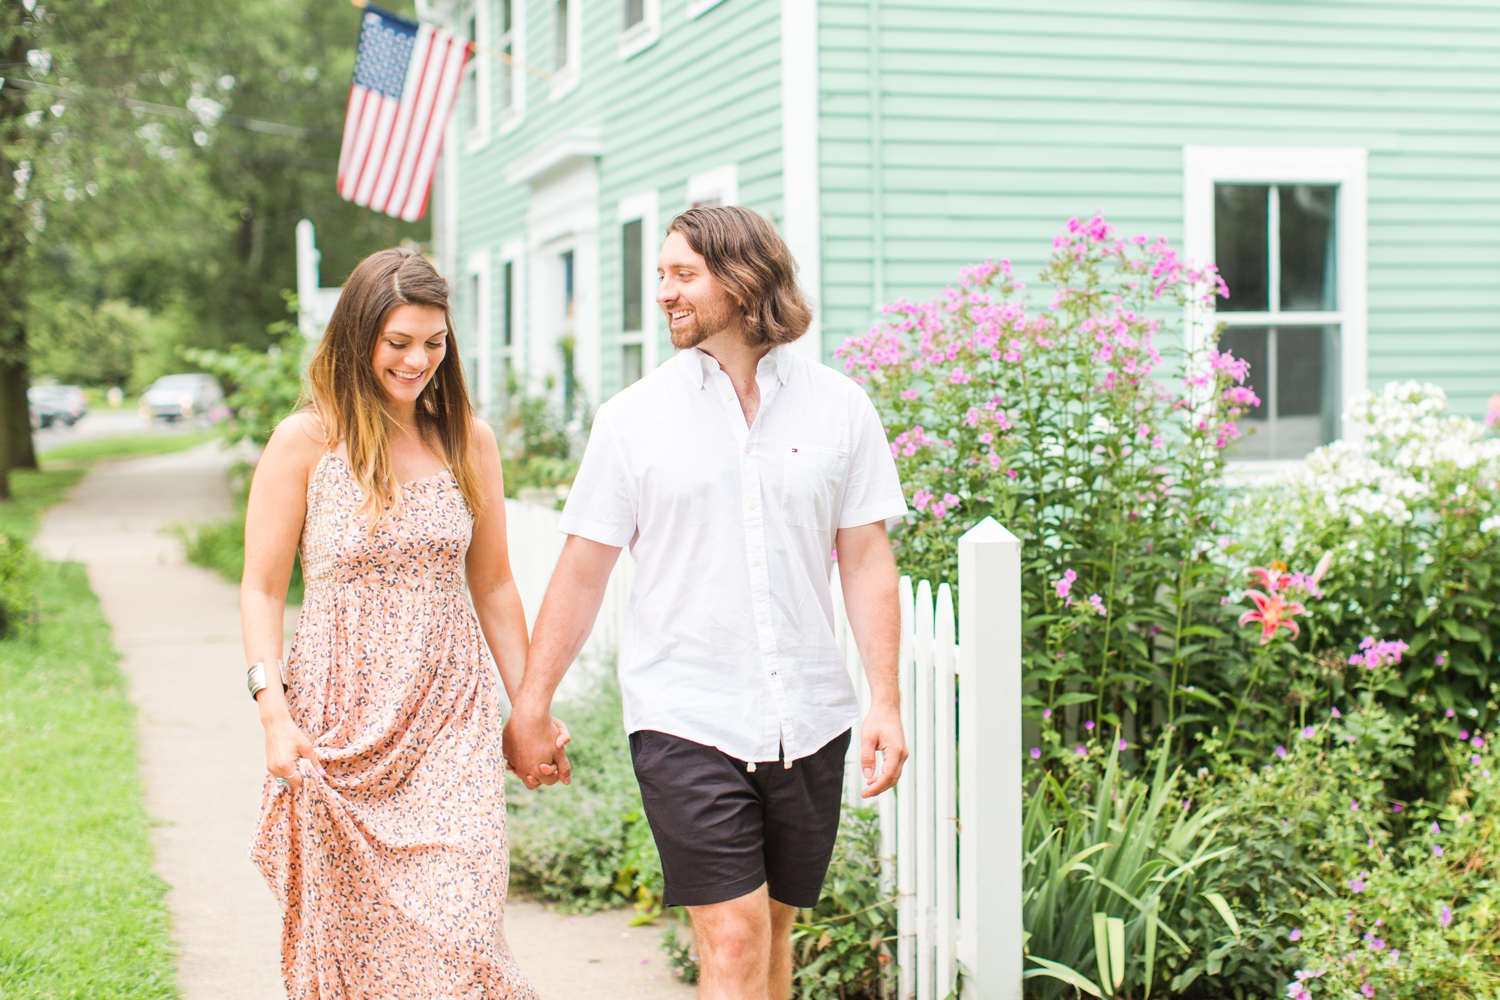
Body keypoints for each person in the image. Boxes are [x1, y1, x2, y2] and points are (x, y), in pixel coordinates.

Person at [504, 206, 910, 1000]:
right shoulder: (633, 421)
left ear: (744, 279)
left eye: (682, 274)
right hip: (684, 714)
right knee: (732, 935)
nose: (663, 292)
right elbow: (583, 570)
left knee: (776, 931)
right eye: (661, 274)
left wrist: (885, 700)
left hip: (810, 714)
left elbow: (865, 561)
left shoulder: (840, 408)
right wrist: (532, 702)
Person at [242, 248, 562, 999]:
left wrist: (531, 707)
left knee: (460, 930)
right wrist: (272, 713)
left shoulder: (467, 440)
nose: (419, 360)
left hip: (449, 720)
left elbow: (495, 585)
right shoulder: (305, 443)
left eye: (435, 342)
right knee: (359, 948)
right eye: (399, 342)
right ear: (359, 337)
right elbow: (260, 590)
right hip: (339, 728)